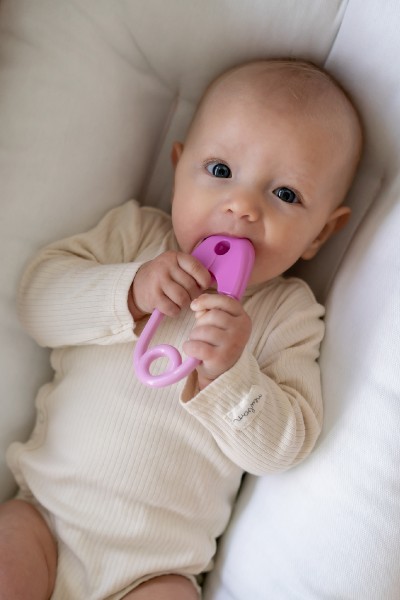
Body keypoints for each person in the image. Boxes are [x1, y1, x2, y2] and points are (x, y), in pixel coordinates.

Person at [0, 58, 362, 600]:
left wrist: (230, 374)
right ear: (178, 168)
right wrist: (130, 290)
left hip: (157, 571)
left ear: (320, 234)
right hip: (45, 517)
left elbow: (283, 449)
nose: (242, 206)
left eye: (285, 194)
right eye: (220, 170)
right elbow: (37, 303)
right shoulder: (135, 237)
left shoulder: (288, 314)